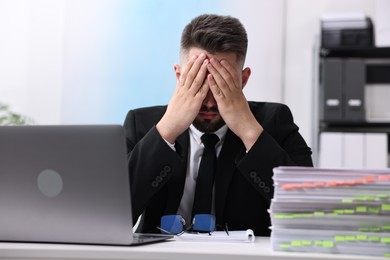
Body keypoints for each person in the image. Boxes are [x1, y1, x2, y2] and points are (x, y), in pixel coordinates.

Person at [123, 14, 313, 236]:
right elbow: (113, 214)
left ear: (243, 80)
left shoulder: (275, 121)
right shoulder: (142, 124)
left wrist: (249, 131)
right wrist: (166, 131)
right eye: (199, 81)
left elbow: (306, 212)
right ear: (179, 76)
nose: (210, 102)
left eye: (222, 82)